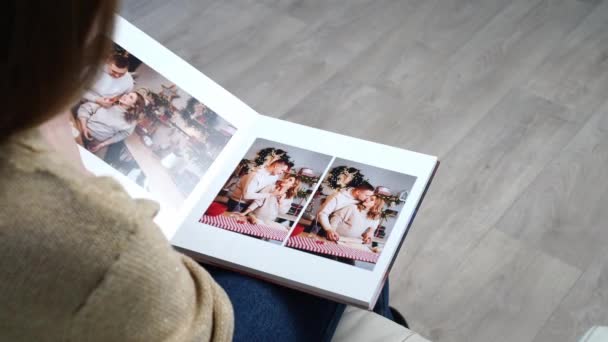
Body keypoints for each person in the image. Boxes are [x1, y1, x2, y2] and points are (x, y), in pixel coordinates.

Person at [2, 2, 400, 341]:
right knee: (338, 268)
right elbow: (202, 325)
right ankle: (385, 321)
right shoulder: (87, 219)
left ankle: (383, 317)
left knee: (348, 261)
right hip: (194, 316)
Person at [77, 91, 145, 153]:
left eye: (130, 97)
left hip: (95, 142)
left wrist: (102, 145)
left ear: (134, 105)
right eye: (127, 94)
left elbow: (123, 134)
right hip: (81, 129)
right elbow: (85, 108)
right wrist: (84, 127)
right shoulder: (109, 103)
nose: (125, 96)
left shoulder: (131, 122)